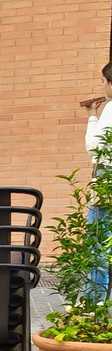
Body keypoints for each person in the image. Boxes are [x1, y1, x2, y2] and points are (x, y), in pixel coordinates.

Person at [82, 62, 112, 296]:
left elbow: (95, 146)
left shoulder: (111, 108)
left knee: (98, 240)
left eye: (103, 81)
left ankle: (95, 299)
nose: (102, 86)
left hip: (106, 176)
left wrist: (92, 118)